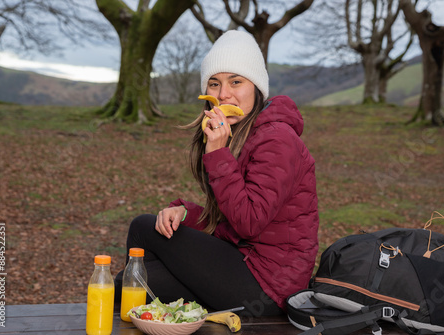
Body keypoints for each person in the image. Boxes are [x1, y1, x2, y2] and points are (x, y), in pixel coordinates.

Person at [114, 30, 319, 317]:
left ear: (257, 88)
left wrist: (218, 154)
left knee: (137, 255)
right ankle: (159, 319)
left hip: (269, 288)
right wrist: (185, 213)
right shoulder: (244, 132)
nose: (223, 94)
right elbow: (229, 220)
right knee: (128, 280)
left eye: (236, 81)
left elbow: (248, 222)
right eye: (214, 83)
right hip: (243, 261)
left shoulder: (277, 139)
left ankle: (157, 316)